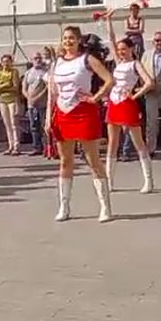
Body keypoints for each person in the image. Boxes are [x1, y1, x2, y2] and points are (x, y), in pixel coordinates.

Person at [46, 25, 116, 223]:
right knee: (65, 161)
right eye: (65, 38)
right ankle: (64, 206)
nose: (68, 41)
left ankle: (105, 206)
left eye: (71, 38)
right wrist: (48, 117)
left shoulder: (87, 59)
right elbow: (53, 91)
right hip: (62, 112)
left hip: (83, 111)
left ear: (79, 41)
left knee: (92, 160)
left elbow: (109, 80)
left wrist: (96, 97)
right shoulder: (56, 62)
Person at [105, 12, 156, 192]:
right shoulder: (118, 62)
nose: (120, 52)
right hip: (113, 101)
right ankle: (109, 180)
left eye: (124, 49)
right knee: (112, 142)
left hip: (127, 103)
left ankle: (148, 180)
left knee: (137, 141)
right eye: (119, 50)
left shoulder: (135, 64)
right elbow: (110, 39)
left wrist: (134, 95)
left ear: (131, 49)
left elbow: (149, 82)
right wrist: (109, 20)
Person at [0, 54, 22, 156]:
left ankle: (16, 146)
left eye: (7, 61)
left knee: (14, 123)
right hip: (2, 100)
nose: (6, 64)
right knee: (7, 124)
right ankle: (10, 145)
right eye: (4, 62)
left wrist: (3, 87)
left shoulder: (14, 72)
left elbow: (15, 87)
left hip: (12, 99)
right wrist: (5, 85)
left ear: (11, 62)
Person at [22, 52, 49, 156]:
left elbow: (47, 86)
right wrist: (28, 97)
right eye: (35, 58)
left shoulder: (44, 72)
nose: (37, 60)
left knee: (44, 126)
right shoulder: (28, 73)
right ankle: (36, 147)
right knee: (34, 126)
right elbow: (24, 87)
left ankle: (47, 147)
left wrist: (38, 97)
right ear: (32, 60)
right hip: (31, 104)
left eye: (39, 58)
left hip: (42, 104)